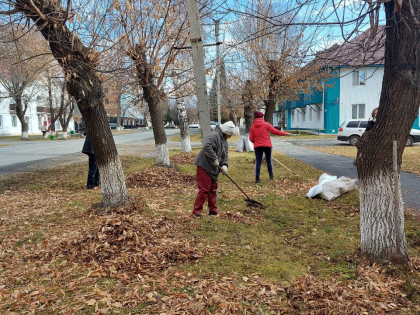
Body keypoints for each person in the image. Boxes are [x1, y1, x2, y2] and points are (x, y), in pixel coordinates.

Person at [192, 121, 236, 218]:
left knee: (213, 190)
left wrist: (224, 165)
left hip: (214, 169)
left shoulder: (224, 140)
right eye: (230, 134)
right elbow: (206, 147)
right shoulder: (214, 135)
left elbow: (225, 155)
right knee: (204, 190)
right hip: (205, 166)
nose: (231, 136)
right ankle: (196, 212)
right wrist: (215, 158)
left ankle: (213, 211)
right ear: (226, 132)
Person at [249, 111, 293, 183]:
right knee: (269, 161)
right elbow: (275, 131)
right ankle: (271, 177)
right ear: (262, 117)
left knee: (258, 162)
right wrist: (285, 133)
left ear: (255, 118)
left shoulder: (253, 126)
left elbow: (250, 138)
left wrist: (256, 142)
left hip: (258, 147)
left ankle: (257, 179)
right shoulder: (266, 124)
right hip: (267, 146)